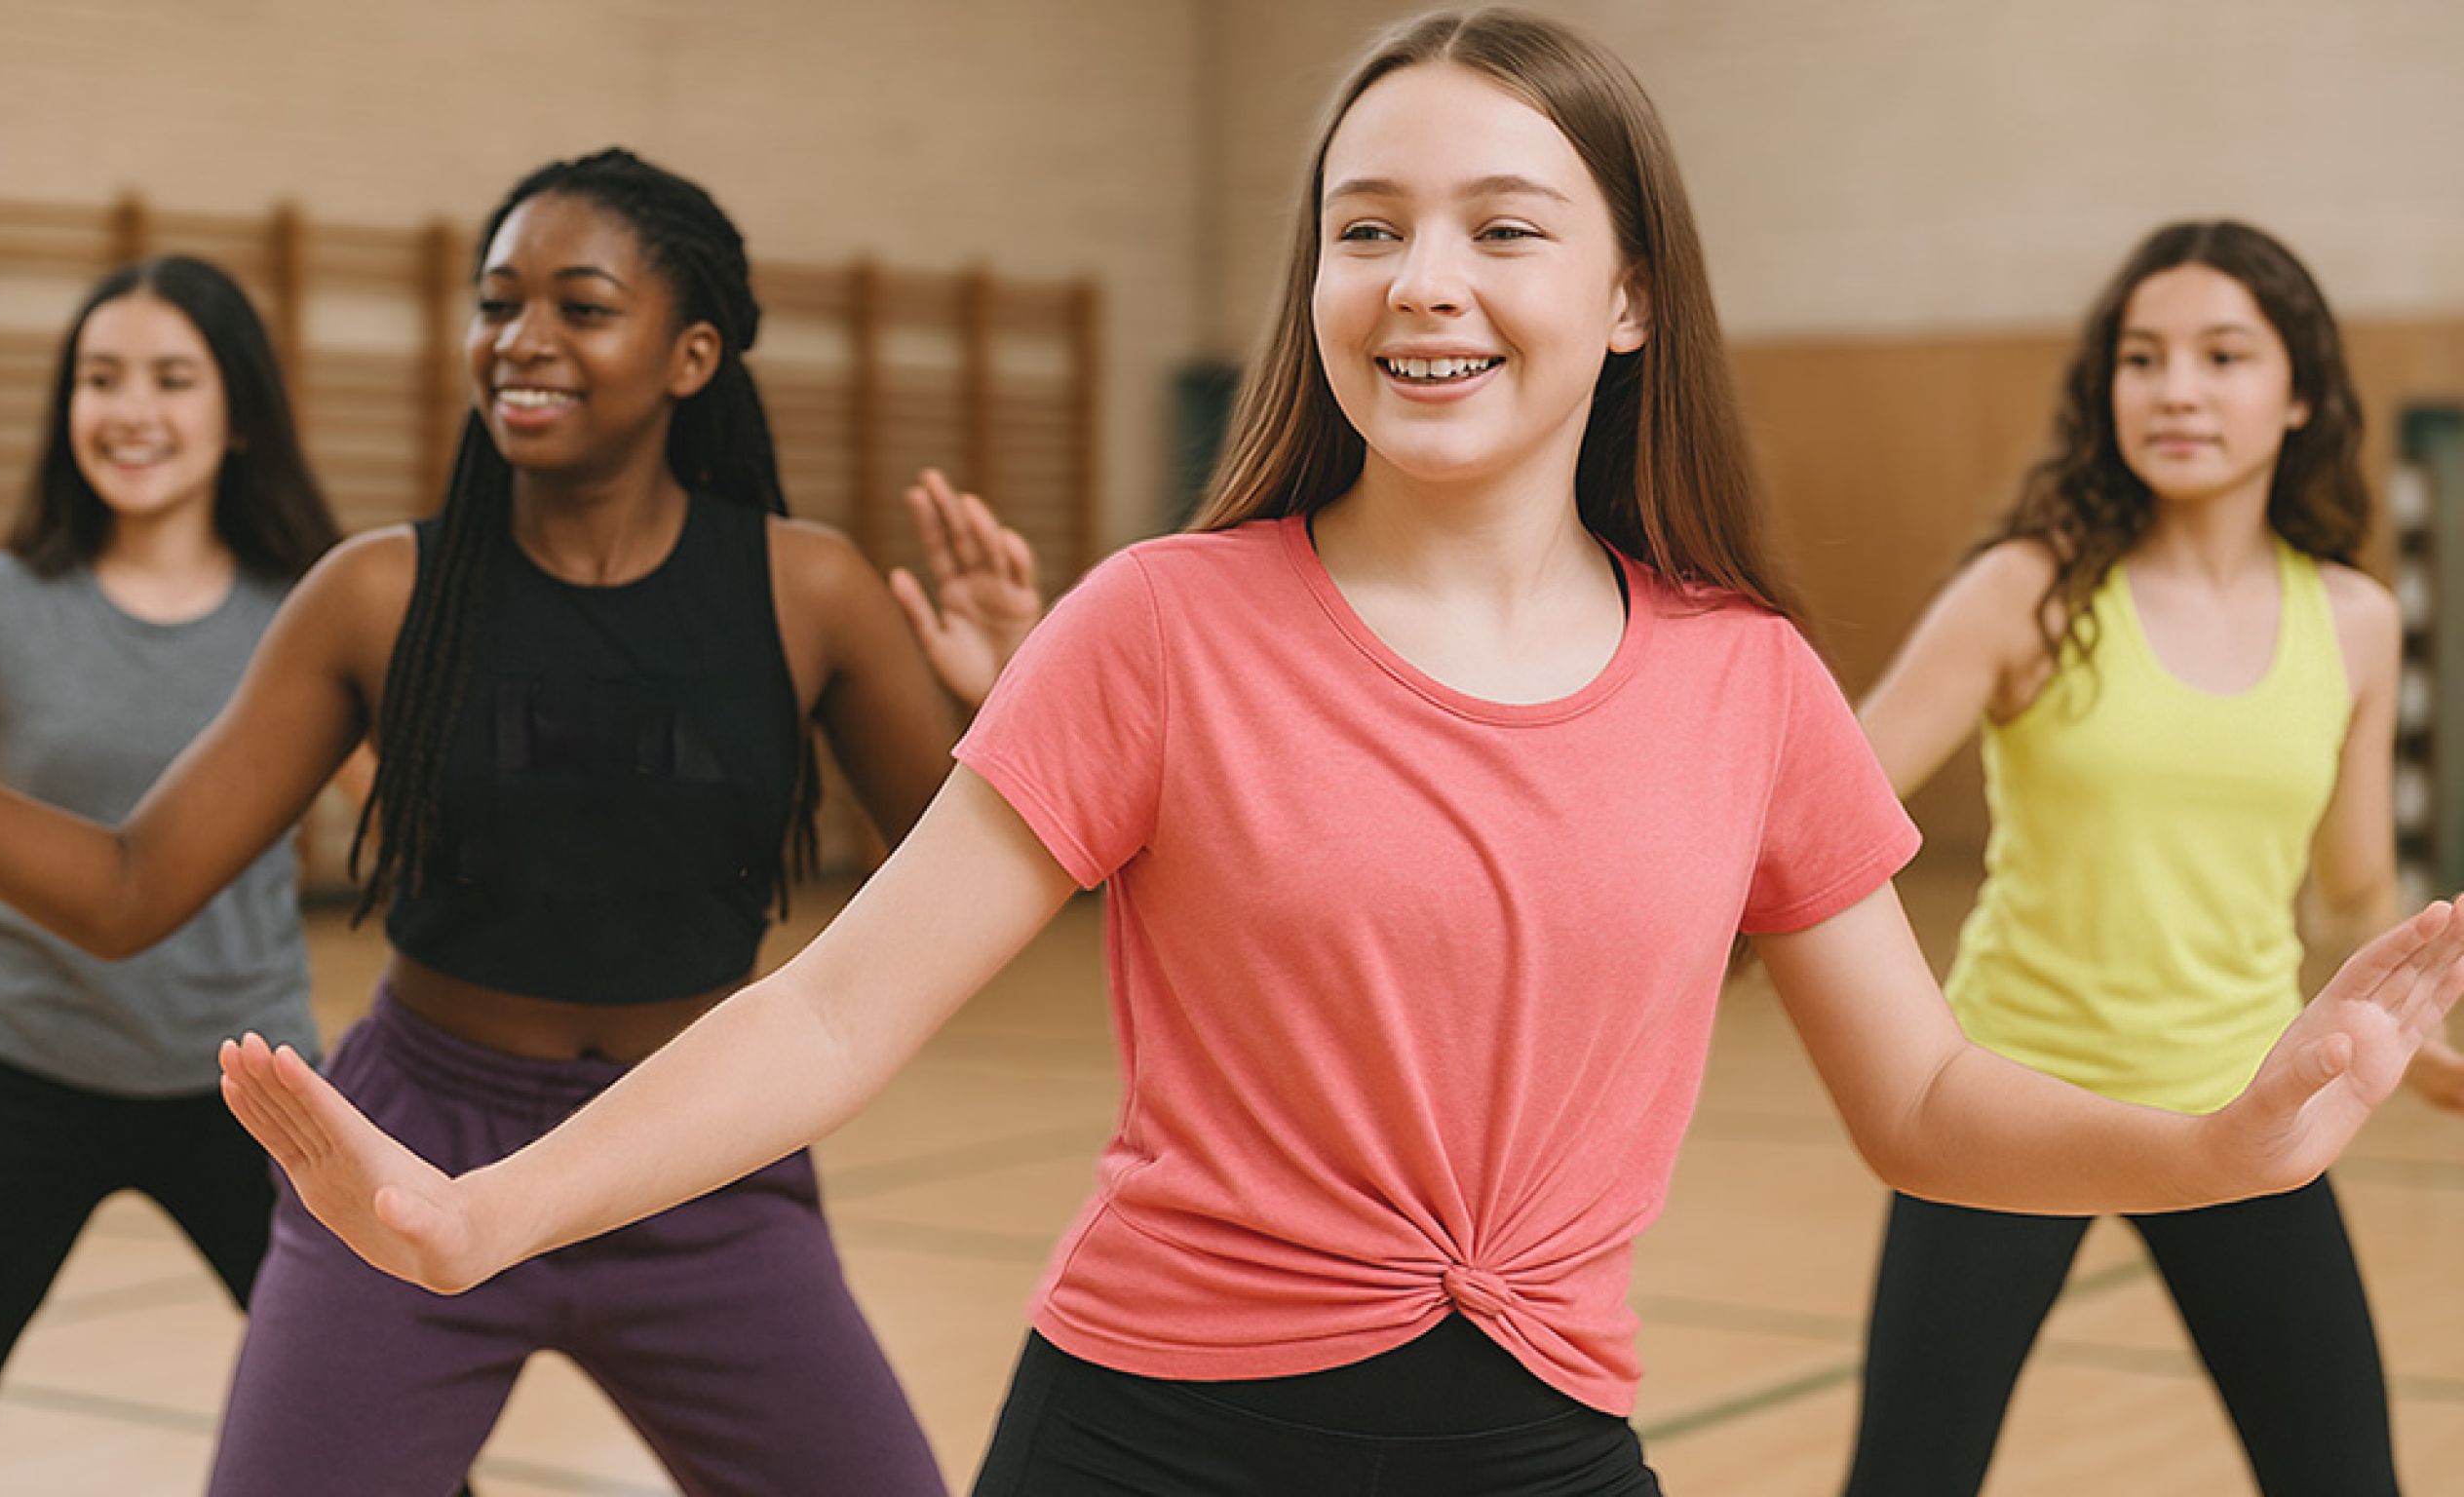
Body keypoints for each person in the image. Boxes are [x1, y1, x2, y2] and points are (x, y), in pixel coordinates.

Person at [215, 17, 2464, 1497]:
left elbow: (1926, 1103)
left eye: (1501, 228)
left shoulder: (1745, 682)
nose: (1419, 280)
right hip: (1140, 1438)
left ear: (1626, 297)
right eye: (1363, 229)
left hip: (1540, 1441)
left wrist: (2216, 1145)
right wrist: (479, 1210)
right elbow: (829, 1011)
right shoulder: (1158, 626)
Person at [0, 149, 1036, 1496]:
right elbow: (132, 888)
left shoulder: (808, 591)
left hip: (699, 1152)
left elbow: (963, 894)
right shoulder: (375, 596)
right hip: (416, 1148)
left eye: (580, 307)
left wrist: (1020, 703)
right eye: (496, 303)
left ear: (693, 354)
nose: (522, 339)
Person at [1840, 220, 2463, 1497]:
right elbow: (1821, 819)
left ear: (2299, 393)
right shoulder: (2029, 591)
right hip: (2007, 1109)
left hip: (2242, 1104)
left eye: (2223, 356)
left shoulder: (2354, 620)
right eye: (2142, 358)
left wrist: (2423, 1032)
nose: (2176, 388)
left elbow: (2352, 886)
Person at [0, 254, 343, 1436]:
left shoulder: (311, 614)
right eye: (100, 378)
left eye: (173, 379)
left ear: (241, 415)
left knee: (374, 1418)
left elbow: (427, 824)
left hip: (250, 1081)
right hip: (13, 1066)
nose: (131, 410)